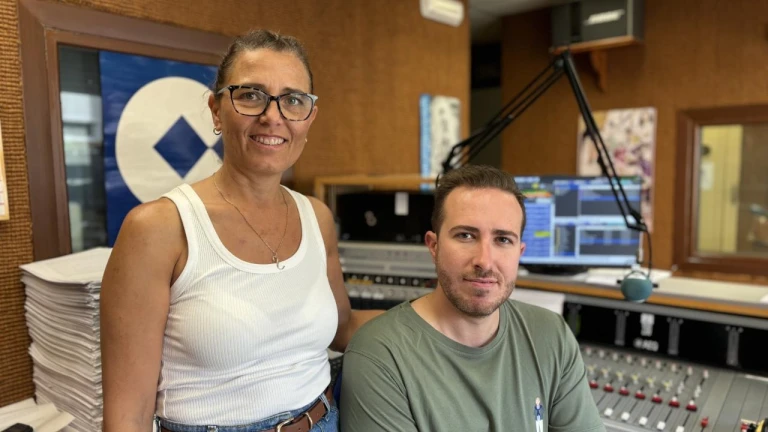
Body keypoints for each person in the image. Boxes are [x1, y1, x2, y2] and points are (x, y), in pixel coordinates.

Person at [100, 29, 381, 432]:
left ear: (309, 118)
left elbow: (341, 329)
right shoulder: (158, 228)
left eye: (293, 100)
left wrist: (439, 312)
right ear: (216, 110)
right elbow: (128, 415)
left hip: (325, 420)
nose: (273, 116)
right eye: (250, 95)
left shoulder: (316, 217)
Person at [339, 165, 605, 432]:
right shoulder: (378, 355)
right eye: (465, 236)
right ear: (434, 246)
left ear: (519, 252)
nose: (484, 261)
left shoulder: (552, 336)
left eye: (503, 240)